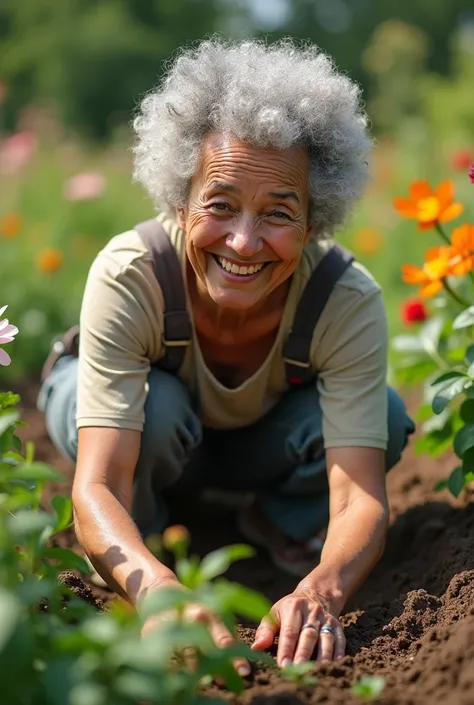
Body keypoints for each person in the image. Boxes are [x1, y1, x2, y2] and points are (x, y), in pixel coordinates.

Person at [38, 37, 414, 673]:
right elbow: (98, 482)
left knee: (381, 415)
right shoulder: (133, 275)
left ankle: (274, 528)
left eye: (277, 213)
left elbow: (360, 499)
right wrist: (157, 591)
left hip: (249, 446)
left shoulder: (343, 299)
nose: (243, 241)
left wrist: (323, 591)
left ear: (314, 219)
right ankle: (146, 546)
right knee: (157, 411)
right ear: (179, 201)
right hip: (139, 436)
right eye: (219, 204)